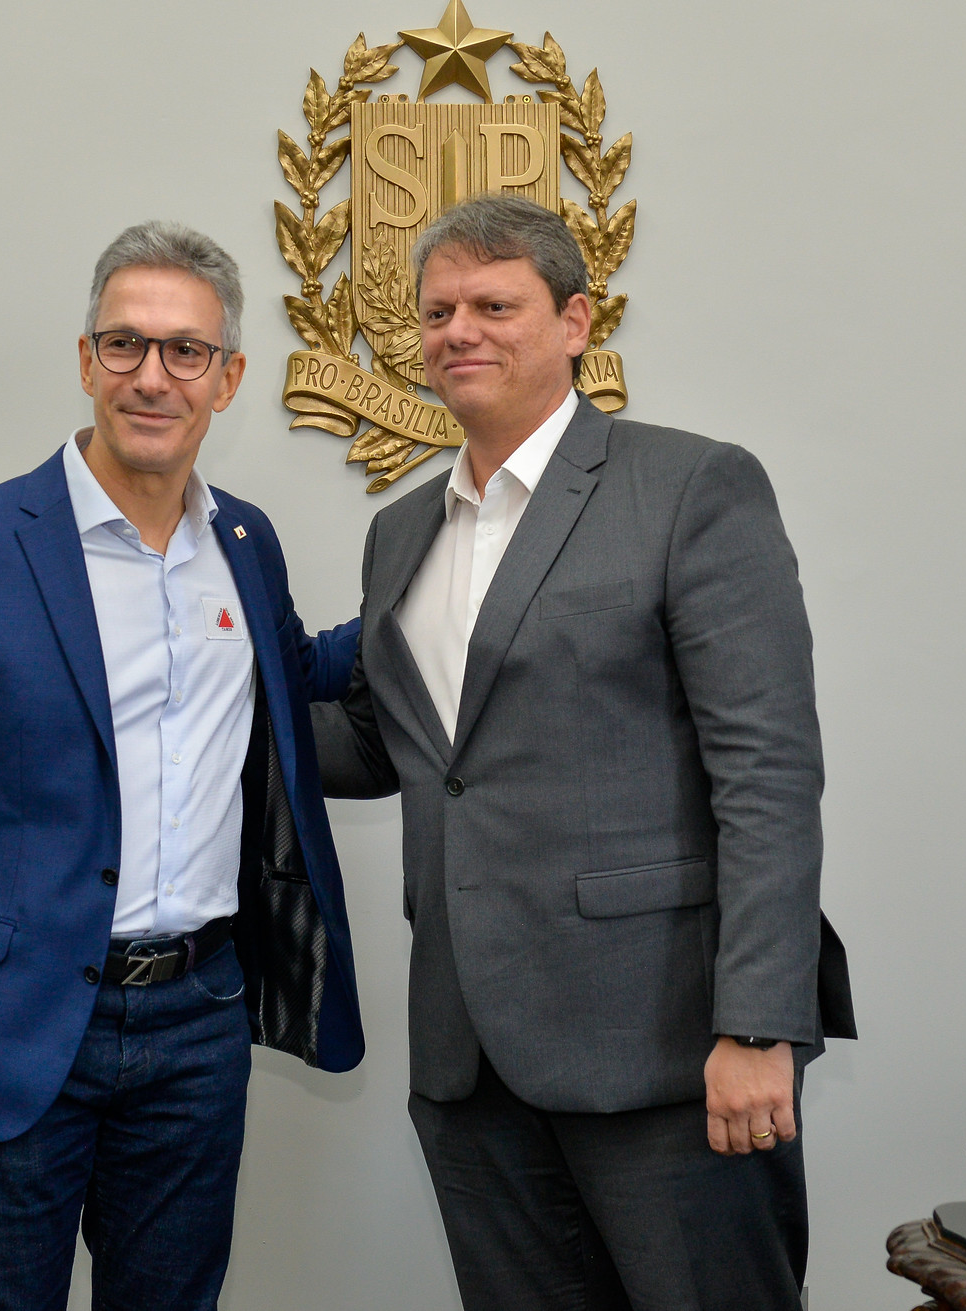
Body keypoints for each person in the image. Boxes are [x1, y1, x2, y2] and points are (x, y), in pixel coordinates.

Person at [314, 194, 856, 1310]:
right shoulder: (400, 533)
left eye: (492, 304)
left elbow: (765, 770)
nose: (457, 329)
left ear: (574, 320)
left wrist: (756, 1021)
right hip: (466, 1053)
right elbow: (395, 745)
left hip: (664, 1049)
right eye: (436, 310)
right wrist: (183, 715)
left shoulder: (691, 487)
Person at [0, 222, 363, 1311]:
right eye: (123, 344)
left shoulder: (247, 544)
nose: (151, 376)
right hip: (12, 1027)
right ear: (84, 361)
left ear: (228, 379)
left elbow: (299, 668)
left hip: (198, 1020)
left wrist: (456, 563)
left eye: (184, 351)